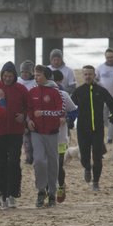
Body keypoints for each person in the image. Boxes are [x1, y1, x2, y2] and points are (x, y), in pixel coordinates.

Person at [0, 62, 28, 209]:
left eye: (10, 76)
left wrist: (24, 116)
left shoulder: (20, 89)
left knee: (14, 163)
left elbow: (29, 107)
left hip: (16, 132)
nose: (8, 79)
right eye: (5, 76)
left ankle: (12, 194)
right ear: (1, 75)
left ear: (15, 76)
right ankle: (2, 194)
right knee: (1, 164)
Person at [70, 66, 113, 191]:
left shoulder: (101, 90)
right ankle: (87, 168)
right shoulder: (78, 91)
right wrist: (69, 120)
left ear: (94, 75)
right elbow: (69, 107)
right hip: (82, 129)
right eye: (85, 74)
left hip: (97, 128)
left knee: (97, 156)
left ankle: (96, 182)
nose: (88, 76)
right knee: (84, 157)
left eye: (90, 74)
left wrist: (112, 115)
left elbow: (112, 104)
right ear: (82, 75)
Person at [26, 65, 65, 208]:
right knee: (39, 161)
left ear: (46, 76)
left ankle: (52, 193)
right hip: (36, 132)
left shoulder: (56, 92)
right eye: (35, 75)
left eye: (38, 75)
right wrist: (29, 120)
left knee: (53, 162)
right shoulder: (32, 91)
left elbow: (60, 111)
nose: (36, 77)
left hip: (52, 132)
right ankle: (41, 190)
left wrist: (44, 113)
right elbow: (29, 109)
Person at [51, 69, 78, 204]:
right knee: (47, 164)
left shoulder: (63, 95)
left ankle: (61, 186)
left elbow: (74, 110)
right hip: (45, 136)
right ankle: (48, 190)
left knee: (59, 164)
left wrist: (67, 119)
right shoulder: (39, 94)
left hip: (61, 136)